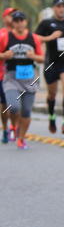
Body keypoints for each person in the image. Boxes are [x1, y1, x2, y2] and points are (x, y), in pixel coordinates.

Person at [35, 0, 64, 133]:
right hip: (51, 64)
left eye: (63, 6)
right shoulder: (46, 23)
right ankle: (52, 116)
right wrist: (50, 37)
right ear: (54, 8)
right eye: (58, 6)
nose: (61, 9)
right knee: (52, 94)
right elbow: (35, 38)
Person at [0, 10, 44, 149]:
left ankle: (21, 138)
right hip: (11, 77)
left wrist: (33, 57)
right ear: (13, 23)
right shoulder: (6, 37)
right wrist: (4, 55)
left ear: (25, 22)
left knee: (26, 111)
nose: (19, 23)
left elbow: (42, 58)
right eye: (16, 21)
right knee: (13, 106)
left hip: (29, 77)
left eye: (21, 20)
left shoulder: (34, 38)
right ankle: (13, 126)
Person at [1, 7, 15, 142]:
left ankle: (14, 128)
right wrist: (4, 55)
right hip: (4, 74)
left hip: (20, 75)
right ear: (4, 18)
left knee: (17, 103)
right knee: (5, 104)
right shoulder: (2, 34)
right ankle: (5, 128)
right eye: (10, 15)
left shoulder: (23, 34)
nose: (13, 17)